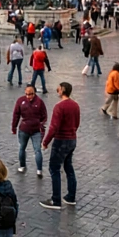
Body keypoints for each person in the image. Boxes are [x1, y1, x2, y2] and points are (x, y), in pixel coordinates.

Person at [39, 82, 79, 210]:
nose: (57, 90)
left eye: (59, 88)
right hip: (72, 139)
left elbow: (53, 127)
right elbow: (77, 123)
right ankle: (71, 197)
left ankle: (55, 200)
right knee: (68, 167)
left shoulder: (59, 107)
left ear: (63, 90)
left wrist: (45, 142)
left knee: (54, 169)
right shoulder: (75, 105)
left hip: (61, 141)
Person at [11, 85, 46, 177]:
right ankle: (23, 166)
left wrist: (41, 125)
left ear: (34, 93)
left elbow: (44, 116)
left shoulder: (39, 102)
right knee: (23, 148)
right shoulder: (21, 100)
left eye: (30, 94)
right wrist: (14, 127)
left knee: (37, 150)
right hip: (25, 129)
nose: (28, 96)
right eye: (26, 94)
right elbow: (16, 115)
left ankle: (39, 170)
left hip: (35, 130)